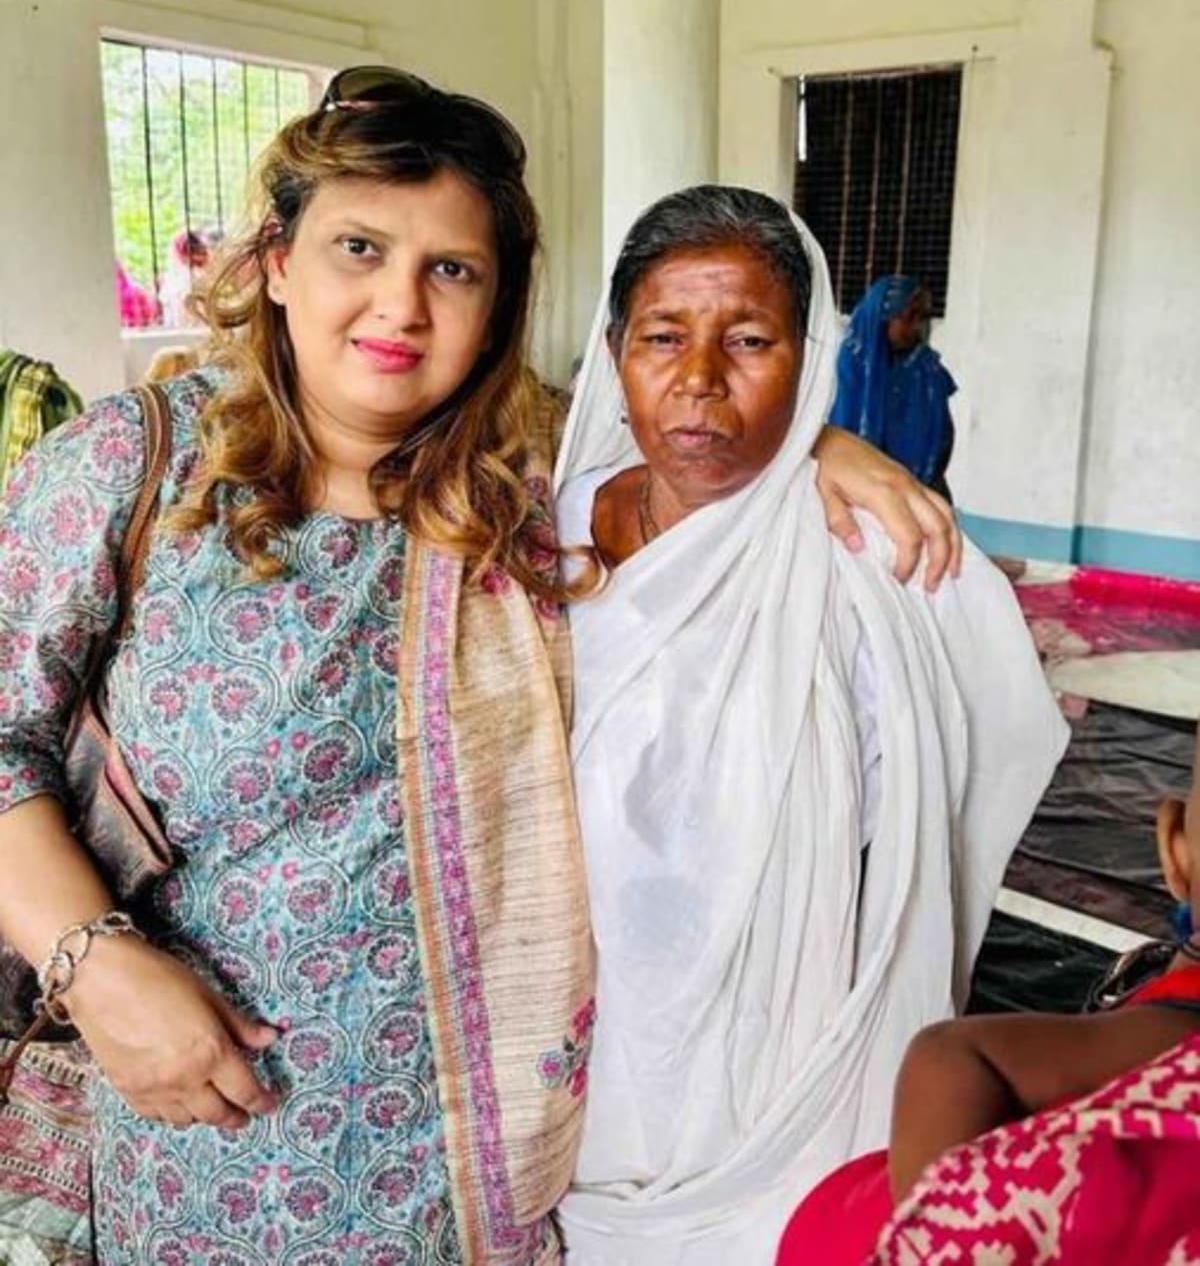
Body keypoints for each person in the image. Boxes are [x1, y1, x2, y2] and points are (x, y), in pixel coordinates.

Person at [0, 71, 957, 1266]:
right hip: (215, 1142)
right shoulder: (136, 470)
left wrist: (823, 440)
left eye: (452, 269)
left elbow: (698, 426)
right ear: (279, 259)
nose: (399, 303)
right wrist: (93, 965)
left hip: (487, 1171)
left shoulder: (526, 479)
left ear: (496, 307)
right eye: (360, 246)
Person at [553, 187, 1067, 1266]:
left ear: (810, 352)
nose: (699, 380)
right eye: (662, 337)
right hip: (572, 1047)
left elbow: (984, 763)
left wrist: (832, 450)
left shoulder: (874, 558)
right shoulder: (539, 536)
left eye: (749, 339)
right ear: (613, 352)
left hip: (782, 1055)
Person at [779, 722, 1200, 1266]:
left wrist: (938, 1243)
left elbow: (950, 1055)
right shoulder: (1172, 1040)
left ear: (1174, 852)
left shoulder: (1172, 1037)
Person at [831, 274, 956, 494]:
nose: (917, 327)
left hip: (923, 491)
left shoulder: (927, 370)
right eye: (908, 317)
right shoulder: (847, 369)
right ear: (882, 318)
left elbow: (944, 435)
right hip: (856, 493)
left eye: (923, 317)